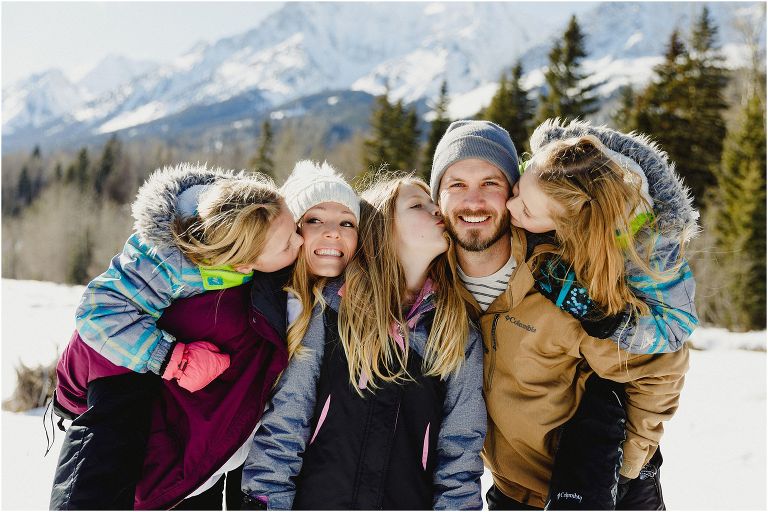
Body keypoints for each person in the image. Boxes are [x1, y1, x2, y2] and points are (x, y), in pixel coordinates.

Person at [51, 160, 360, 510]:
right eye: (294, 236)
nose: (302, 239)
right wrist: (173, 358)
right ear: (245, 262)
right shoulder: (175, 264)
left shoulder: (250, 257)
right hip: (120, 387)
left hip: (202, 470)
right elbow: (100, 312)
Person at [429, 120, 693, 510]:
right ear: (438, 199)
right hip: (510, 496)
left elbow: (658, 367)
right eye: (457, 184)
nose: (474, 201)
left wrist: (627, 470)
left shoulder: (564, 281)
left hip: (592, 493)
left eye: (491, 183)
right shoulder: (435, 286)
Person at [241, 176, 486, 510]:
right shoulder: (327, 310)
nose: (437, 210)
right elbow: (285, 424)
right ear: (383, 227)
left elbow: (461, 452)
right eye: (418, 205)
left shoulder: (454, 331)